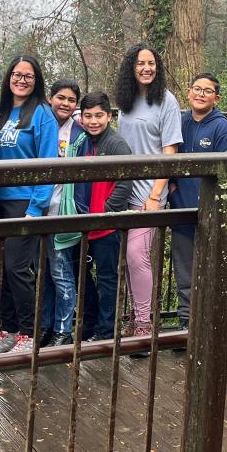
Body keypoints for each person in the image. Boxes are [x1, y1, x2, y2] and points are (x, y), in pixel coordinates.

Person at [0, 55, 60, 354]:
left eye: (28, 76)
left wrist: (37, 204)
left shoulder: (43, 114)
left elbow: (48, 163)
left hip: (23, 201)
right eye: (16, 74)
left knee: (18, 269)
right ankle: (9, 328)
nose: (21, 80)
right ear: (8, 78)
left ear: (36, 80)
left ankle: (29, 334)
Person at [114, 45, 183, 340]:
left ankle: (144, 322)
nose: (146, 68)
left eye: (151, 63)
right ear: (131, 67)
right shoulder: (126, 102)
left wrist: (156, 194)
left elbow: (171, 151)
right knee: (127, 259)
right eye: (140, 63)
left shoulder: (166, 101)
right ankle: (134, 316)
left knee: (137, 255)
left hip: (150, 192)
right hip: (124, 191)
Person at [169, 72, 227, 329]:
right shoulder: (178, 122)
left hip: (211, 216)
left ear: (216, 98)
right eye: (196, 89)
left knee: (212, 271)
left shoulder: (223, 129)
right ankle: (186, 322)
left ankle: (212, 322)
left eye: (207, 90)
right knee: (184, 271)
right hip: (181, 212)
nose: (200, 94)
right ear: (188, 92)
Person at [71, 92, 135, 341]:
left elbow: (124, 183)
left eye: (99, 115)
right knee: (82, 276)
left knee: (108, 279)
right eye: (88, 116)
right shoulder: (81, 142)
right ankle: (88, 325)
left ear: (109, 116)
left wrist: (105, 212)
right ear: (82, 117)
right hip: (81, 223)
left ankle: (106, 331)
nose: (93, 121)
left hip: (106, 226)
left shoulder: (117, 145)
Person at [42, 78, 97, 345]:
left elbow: (86, 178)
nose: (65, 103)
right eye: (60, 97)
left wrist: (81, 212)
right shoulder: (40, 124)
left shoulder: (80, 135)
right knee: (45, 274)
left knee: (61, 272)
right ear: (50, 97)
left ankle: (63, 331)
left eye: (71, 100)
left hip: (65, 211)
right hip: (39, 209)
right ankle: (46, 327)